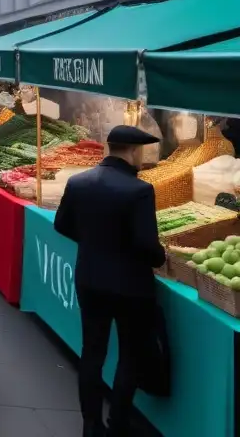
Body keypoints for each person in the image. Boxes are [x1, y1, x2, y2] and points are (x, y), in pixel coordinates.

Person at [54, 126, 166, 437]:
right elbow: (147, 246)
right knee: (129, 355)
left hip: (90, 280)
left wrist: (92, 243)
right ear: (133, 152)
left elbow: (61, 224)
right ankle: (118, 423)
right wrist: (161, 256)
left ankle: (90, 424)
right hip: (131, 286)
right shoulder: (140, 190)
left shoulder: (79, 182)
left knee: (92, 352)